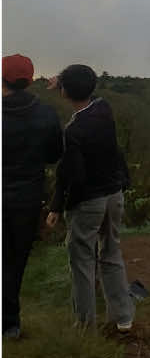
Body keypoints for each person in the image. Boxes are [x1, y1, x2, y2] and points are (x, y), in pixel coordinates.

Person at [45, 65, 134, 332]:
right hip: (114, 195)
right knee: (111, 252)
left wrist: (57, 206)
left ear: (65, 92)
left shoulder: (74, 131)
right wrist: (63, 80)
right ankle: (123, 318)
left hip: (90, 202)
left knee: (82, 260)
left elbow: (71, 174)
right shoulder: (104, 109)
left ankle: (85, 324)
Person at [2, 54, 63, 339]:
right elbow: (54, 155)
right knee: (15, 261)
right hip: (27, 198)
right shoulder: (46, 114)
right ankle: (10, 323)